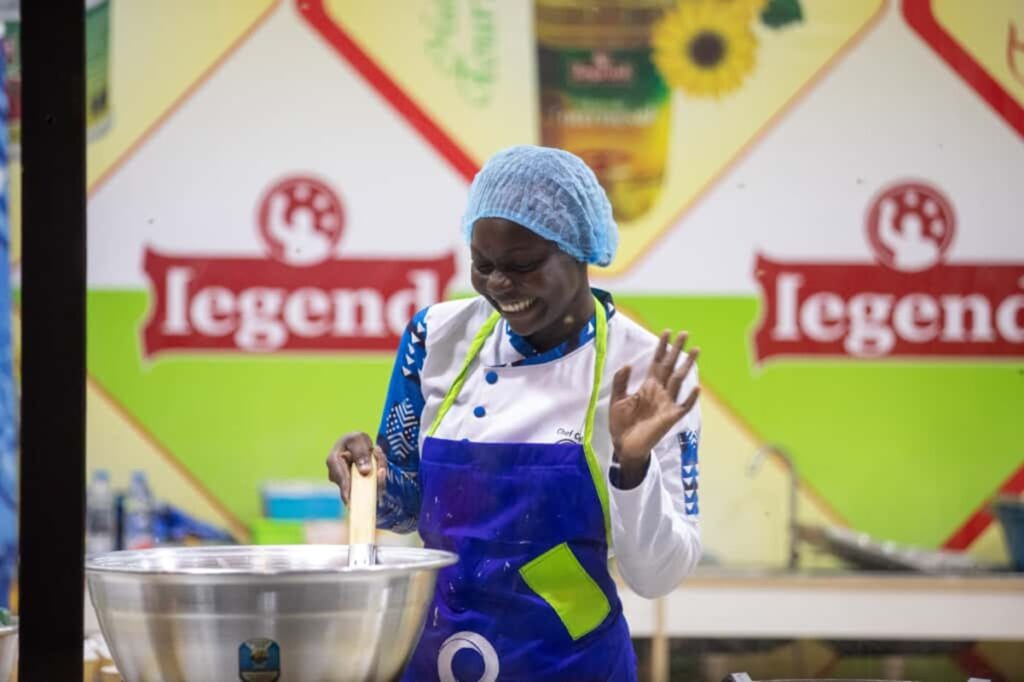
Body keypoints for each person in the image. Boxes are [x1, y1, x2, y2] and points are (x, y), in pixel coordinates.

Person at [326, 145, 701, 681]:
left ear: (580, 252)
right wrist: (368, 480)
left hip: (572, 663)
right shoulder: (433, 338)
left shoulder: (648, 376)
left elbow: (658, 576)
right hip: (440, 651)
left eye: (523, 266)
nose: (500, 286)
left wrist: (632, 465)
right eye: (484, 265)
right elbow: (402, 507)